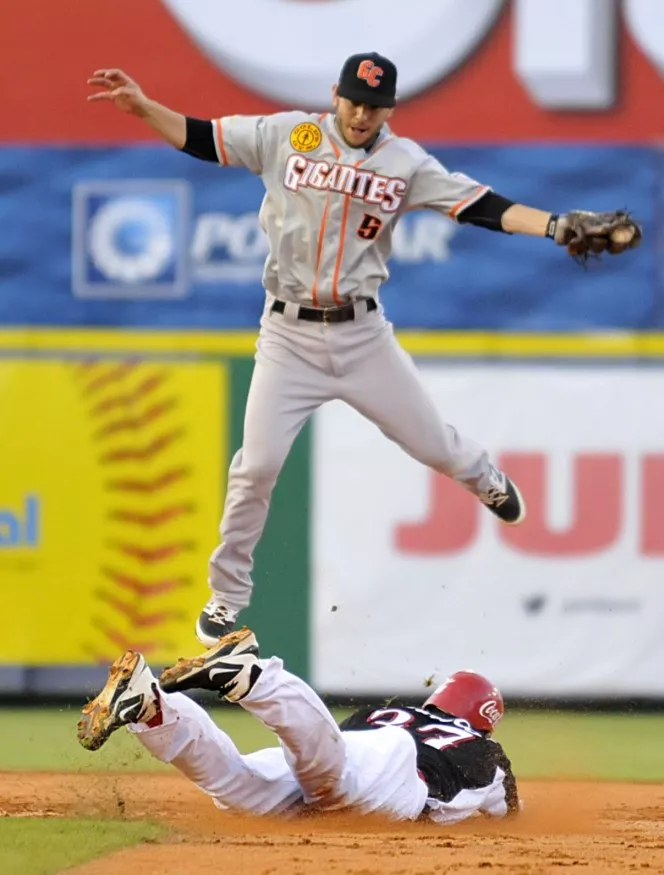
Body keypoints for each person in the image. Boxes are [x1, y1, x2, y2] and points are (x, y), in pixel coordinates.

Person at [87, 52, 638, 646]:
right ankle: (226, 597)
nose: (360, 113)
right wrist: (144, 108)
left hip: (361, 335)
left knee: (435, 447)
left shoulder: (404, 162)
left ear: (388, 110)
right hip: (288, 337)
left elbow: (482, 206)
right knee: (256, 468)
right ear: (335, 95)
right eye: (352, 100)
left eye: (373, 106)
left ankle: (483, 476)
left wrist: (555, 226)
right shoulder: (291, 133)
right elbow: (205, 138)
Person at [77, 627, 520, 824]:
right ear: (484, 721)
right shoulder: (486, 751)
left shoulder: (385, 712)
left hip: (359, 752)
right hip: (398, 775)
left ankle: (152, 707)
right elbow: (506, 814)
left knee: (237, 789)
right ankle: (251, 677)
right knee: (333, 779)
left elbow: (333, 745)